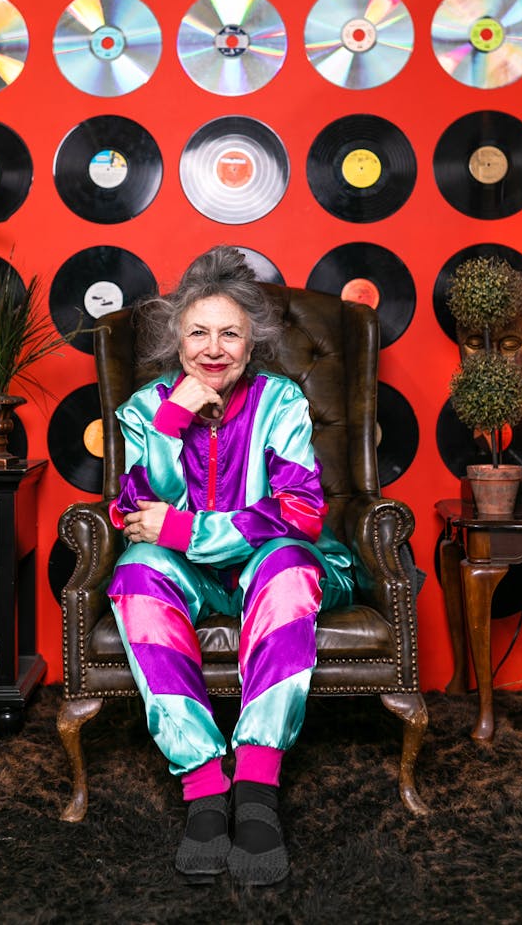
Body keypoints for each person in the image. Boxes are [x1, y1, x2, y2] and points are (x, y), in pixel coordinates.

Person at [106, 246, 355, 886]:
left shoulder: (281, 403)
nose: (213, 349)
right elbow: (137, 511)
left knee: (290, 564)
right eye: (198, 332)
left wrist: (187, 528)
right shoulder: (144, 409)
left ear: (252, 343)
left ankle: (257, 786)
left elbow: (298, 512)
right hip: (188, 576)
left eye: (229, 334)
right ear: (175, 341)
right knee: (137, 571)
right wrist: (171, 422)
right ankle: (204, 788)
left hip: (271, 566)